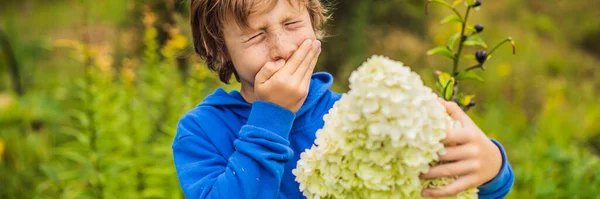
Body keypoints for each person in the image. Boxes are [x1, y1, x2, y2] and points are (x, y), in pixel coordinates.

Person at [173, 0, 514, 198]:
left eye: (292, 23)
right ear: (217, 48)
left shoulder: (358, 114)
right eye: (256, 35)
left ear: (314, 19)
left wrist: (492, 170)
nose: (282, 48)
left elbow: (440, 185)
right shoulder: (202, 131)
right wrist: (271, 117)